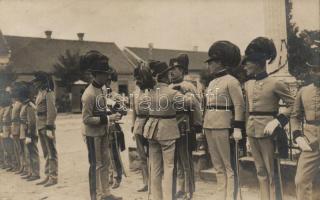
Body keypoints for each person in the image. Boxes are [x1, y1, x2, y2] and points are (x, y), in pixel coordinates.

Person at [242, 37, 295, 200]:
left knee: (272, 172)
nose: (244, 66)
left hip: (268, 132)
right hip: (252, 131)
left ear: (258, 62)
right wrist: (244, 131)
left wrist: (278, 120)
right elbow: (247, 110)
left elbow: (294, 105)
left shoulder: (275, 83)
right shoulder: (248, 85)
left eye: (247, 63)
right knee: (260, 171)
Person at [143, 60, 194, 200]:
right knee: (169, 167)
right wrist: (189, 95)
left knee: (155, 169)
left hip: (151, 130)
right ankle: (168, 197)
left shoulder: (150, 92)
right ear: (165, 76)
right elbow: (189, 103)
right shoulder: (172, 93)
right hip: (167, 130)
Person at [203, 41, 245, 200]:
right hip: (209, 124)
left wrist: (237, 128)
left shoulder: (231, 81)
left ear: (220, 62)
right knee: (217, 164)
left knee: (228, 166)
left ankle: (230, 197)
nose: (209, 66)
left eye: (211, 62)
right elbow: (207, 105)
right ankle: (221, 195)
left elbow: (239, 105)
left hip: (223, 124)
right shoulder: (212, 82)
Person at [80, 50, 122, 200]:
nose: (107, 77)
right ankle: (95, 195)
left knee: (105, 163)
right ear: (96, 74)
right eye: (105, 74)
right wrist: (107, 118)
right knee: (95, 165)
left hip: (103, 132)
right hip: (93, 134)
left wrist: (114, 109)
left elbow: (104, 107)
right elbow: (86, 119)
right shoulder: (88, 94)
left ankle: (106, 193)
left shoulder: (102, 89)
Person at [168, 54, 202, 200]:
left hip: (185, 127)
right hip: (171, 128)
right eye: (171, 69)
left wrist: (197, 125)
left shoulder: (188, 86)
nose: (172, 72)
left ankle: (189, 190)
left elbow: (196, 106)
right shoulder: (168, 87)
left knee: (186, 160)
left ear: (182, 70)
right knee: (176, 162)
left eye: (176, 69)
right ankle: (180, 189)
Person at [292, 48, 320, 200]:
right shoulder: (303, 91)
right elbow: (295, 116)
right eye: (314, 70)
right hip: (310, 142)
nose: (317, 73)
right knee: (301, 180)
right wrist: (297, 135)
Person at [131, 62, 155, 192]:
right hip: (139, 125)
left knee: (152, 154)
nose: (138, 81)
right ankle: (145, 182)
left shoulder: (151, 91)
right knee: (142, 156)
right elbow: (134, 110)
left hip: (149, 123)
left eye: (140, 78)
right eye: (136, 79)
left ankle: (153, 182)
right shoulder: (135, 92)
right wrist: (133, 125)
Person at [32, 71, 58, 187]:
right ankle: (48, 175)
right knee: (46, 152)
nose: (35, 84)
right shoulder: (40, 93)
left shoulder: (49, 93)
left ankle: (53, 176)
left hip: (46, 125)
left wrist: (49, 127)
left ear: (42, 82)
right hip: (40, 125)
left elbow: (52, 111)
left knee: (51, 152)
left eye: (37, 82)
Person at [104, 68, 127, 189]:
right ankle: (109, 175)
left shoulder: (115, 96)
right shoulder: (98, 96)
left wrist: (116, 111)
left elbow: (124, 110)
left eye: (108, 82)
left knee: (114, 154)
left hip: (113, 128)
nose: (106, 84)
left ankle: (117, 177)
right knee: (105, 155)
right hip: (102, 127)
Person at [18, 82, 40, 181]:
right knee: (28, 153)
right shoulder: (25, 104)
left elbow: (31, 122)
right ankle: (31, 172)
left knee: (33, 152)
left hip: (30, 132)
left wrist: (29, 135)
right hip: (25, 131)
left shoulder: (30, 105)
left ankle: (36, 173)